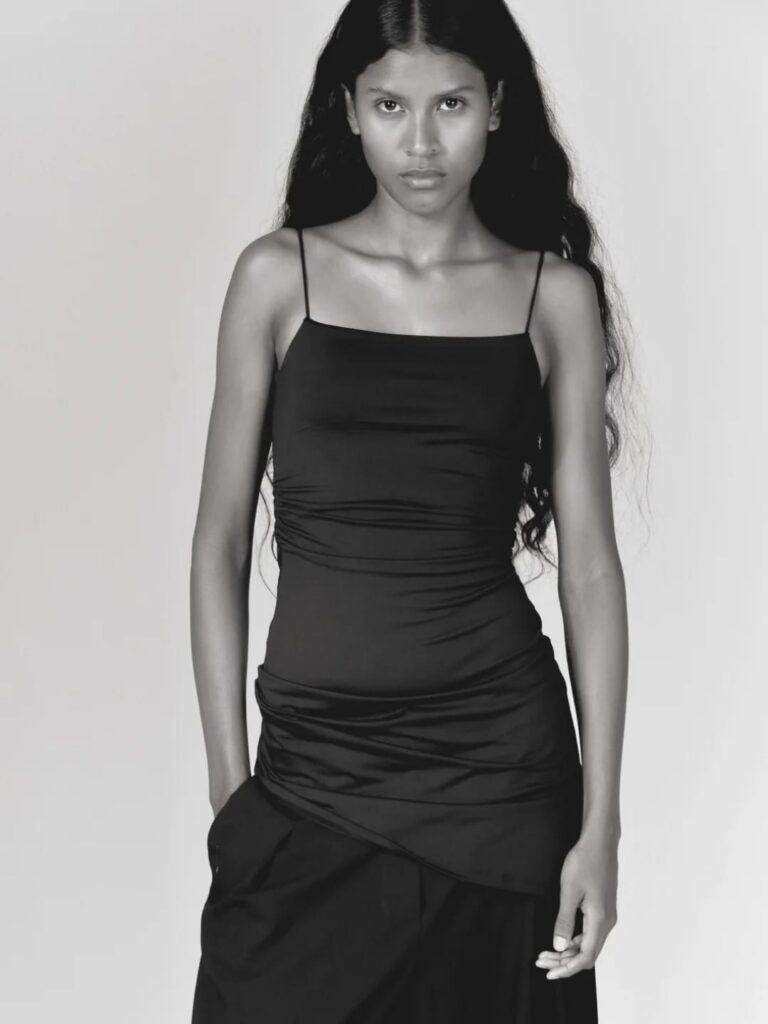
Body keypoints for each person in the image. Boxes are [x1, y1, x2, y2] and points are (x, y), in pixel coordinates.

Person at [190, 0, 630, 1020]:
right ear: (348, 109)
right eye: (391, 105)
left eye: (452, 105)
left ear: (497, 107)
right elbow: (218, 543)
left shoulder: (554, 297)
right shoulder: (278, 277)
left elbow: (591, 570)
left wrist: (601, 822)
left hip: (502, 784)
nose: (422, 142)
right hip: (309, 780)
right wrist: (228, 790)